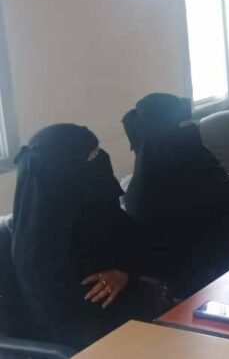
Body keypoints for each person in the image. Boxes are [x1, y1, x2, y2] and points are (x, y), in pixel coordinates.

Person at [11, 124, 159, 350]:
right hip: (85, 338)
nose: (101, 159)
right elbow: (64, 315)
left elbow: (139, 244)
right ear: (66, 170)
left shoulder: (96, 211)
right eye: (92, 156)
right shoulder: (37, 244)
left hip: (129, 319)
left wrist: (123, 273)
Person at [123, 93, 229, 298]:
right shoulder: (145, 195)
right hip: (204, 288)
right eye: (183, 126)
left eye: (191, 124)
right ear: (162, 135)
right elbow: (175, 259)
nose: (191, 132)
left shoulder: (199, 159)